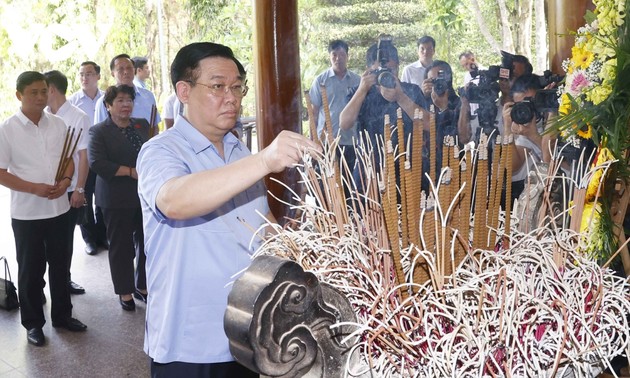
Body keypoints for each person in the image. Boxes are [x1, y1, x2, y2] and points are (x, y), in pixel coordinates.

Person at [137, 42, 320, 377]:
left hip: (247, 335)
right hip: (189, 342)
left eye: (237, 87)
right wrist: (265, 159)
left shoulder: (240, 154)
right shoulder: (161, 150)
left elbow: (262, 235)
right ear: (184, 91)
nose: (232, 97)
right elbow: (174, 200)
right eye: (218, 86)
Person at [0, 71, 87, 347]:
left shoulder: (58, 124)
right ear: (19, 96)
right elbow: (1, 173)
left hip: (60, 210)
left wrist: (64, 182)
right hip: (27, 214)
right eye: (33, 93)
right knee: (30, 271)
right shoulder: (7, 129)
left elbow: (69, 160)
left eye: (43, 91)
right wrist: (33, 187)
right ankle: (33, 324)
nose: (40, 97)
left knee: (61, 267)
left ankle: (62, 316)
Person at [89, 85, 149, 311]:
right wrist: (130, 171)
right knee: (121, 246)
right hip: (115, 197)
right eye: (120, 100)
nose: (126, 105)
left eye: (129, 100)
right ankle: (125, 291)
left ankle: (142, 285)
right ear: (108, 105)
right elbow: (97, 163)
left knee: (146, 243)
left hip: (143, 195)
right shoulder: (99, 131)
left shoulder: (141, 124)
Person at [339, 38, 425, 183]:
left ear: (398, 67)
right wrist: (362, 89)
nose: (386, 75)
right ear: (369, 70)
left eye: (390, 70)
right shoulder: (359, 93)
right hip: (368, 171)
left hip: (406, 170)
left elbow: (428, 124)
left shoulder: (411, 91)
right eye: (380, 71)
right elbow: (344, 124)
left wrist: (400, 97)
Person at [44, 70, 90, 295]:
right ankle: (40, 284)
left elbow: (83, 157)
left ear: (51, 89)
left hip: (68, 188)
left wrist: (79, 189)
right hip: (43, 188)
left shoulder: (77, 116)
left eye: (43, 89)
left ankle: (64, 280)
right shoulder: (41, 115)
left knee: (64, 240)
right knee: (41, 240)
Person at [68, 61, 108, 255]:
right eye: (81, 74)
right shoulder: (73, 102)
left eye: (89, 74)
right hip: (82, 158)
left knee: (101, 199)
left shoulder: (107, 98)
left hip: (103, 157)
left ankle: (103, 235)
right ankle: (89, 239)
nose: (85, 77)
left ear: (98, 76)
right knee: (85, 200)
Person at [308, 39, 361, 170]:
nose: (338, 58)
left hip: (351, 140)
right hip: (327, 141)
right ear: (330, 57)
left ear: (348, 57)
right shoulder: (320, 81)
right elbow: (313, 113)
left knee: (349, 183)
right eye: (334, 55)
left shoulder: (358, 81)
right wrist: (313, 141)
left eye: (342, 55)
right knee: (328, 182)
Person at [502, 74, 544, 202]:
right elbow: (511, 166)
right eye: (520, 105)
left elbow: (555, 158)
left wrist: (533, 134)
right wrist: (507, 127)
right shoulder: (520, 128)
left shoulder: (554, 121)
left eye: (530, 102)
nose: (526, 108)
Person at [421, 60, 460, 186]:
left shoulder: (459, 103)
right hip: (426, 171)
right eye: (433, 81)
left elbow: (457, 138)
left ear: (449, 79)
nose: (438, 84)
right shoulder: (423, 104)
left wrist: (444, 108)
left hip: (452, 169)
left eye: (440, 79)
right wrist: (423, 96)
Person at [94, 54, 161, 127]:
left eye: (129, 68)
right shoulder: (104, 101)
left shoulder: (148, 96)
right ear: (113, 73)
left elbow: (155, 127)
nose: (126, 72)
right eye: (120, 69)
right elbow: (99, 133)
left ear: (134, 70)